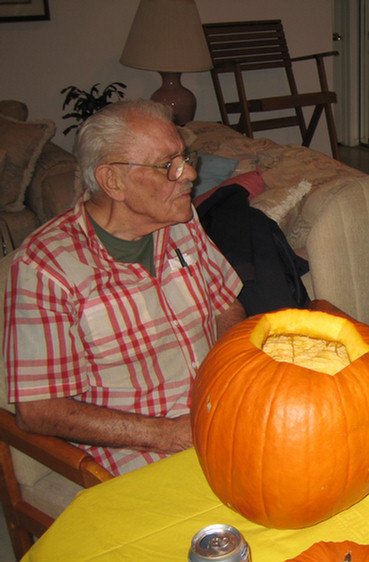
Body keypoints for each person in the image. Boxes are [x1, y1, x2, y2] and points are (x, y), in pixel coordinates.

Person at [3, 100, 246, 476]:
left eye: (186, 157)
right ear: (112, 181)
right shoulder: (45, 267)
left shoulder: (180, 220)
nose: (190, 174)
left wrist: (230, 380)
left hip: (218, 419)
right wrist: (170, 434)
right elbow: (38, 410)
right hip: (137, 453)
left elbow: (225, 307)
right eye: (169, 165)